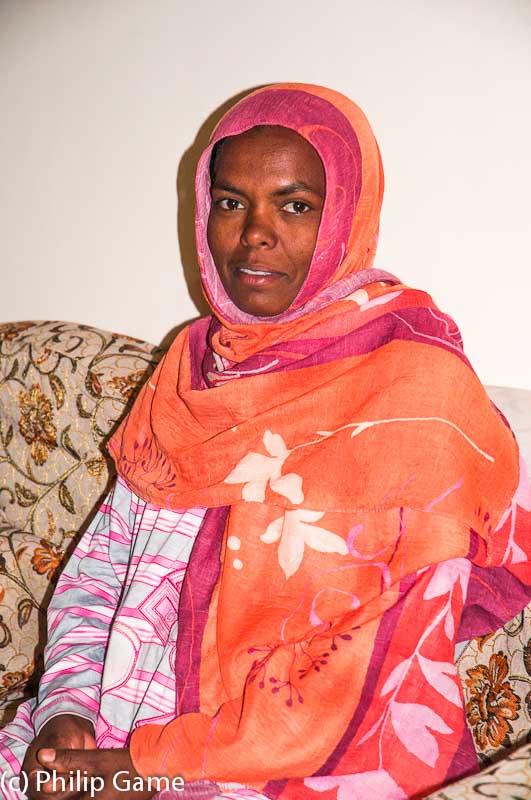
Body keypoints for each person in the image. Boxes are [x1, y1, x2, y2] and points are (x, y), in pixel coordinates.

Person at [1, 82, 530, 800]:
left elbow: (370, 671)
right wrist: (63, 716)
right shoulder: (190, 371)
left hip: (276, 771)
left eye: (294, 204)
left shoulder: (413, 400)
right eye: (230, 201)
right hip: (106, 741)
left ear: (346, 212)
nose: (254, 234)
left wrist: (140, 766)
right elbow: (100, 569)